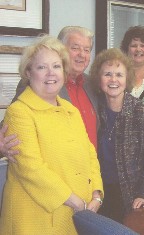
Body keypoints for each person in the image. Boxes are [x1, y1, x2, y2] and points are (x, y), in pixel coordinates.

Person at [0, 35, 103, 235]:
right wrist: (77, 202)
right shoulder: (19, 112)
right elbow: (31, 168)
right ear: (28, 72)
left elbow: (90, 153)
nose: (50, 73)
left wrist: (97, 194)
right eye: (41, 67)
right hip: (35, 219)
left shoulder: (70, 109)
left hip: (74, 214)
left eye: (56, 66)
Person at [89, 48, 144, 222]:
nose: (113, 80)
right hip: (100, 193)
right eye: (107, 74)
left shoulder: (142, 111)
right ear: (98, 78)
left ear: (127, 78)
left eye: (119, 74)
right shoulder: (94, 108)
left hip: (135, 197)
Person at [0, 26, 98, 159]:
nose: (82, 54)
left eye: (87, 50)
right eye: (75, 48)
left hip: (88, 171)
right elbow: (9, 126)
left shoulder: (93, 84)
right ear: (59, 50)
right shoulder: (36, 83)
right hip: (50, 170)